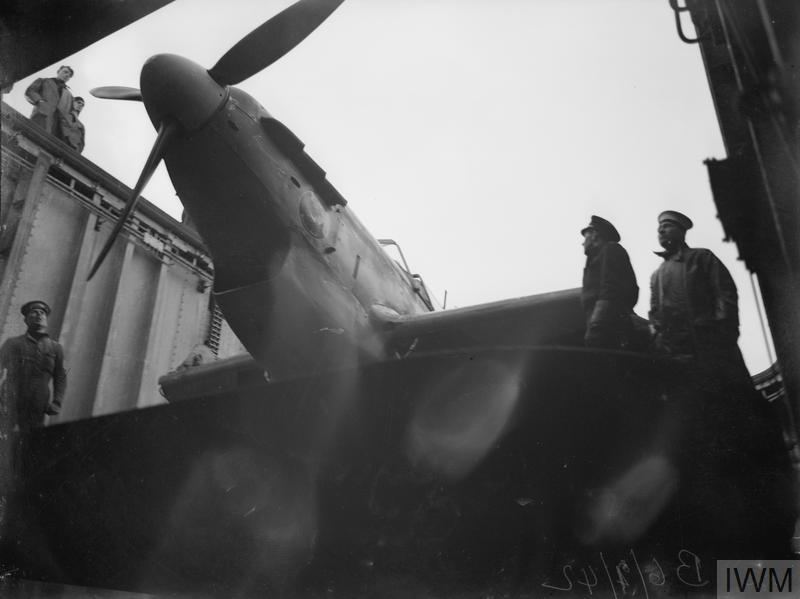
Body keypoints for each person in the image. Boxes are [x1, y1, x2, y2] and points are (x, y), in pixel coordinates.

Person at [0, 301, 67, 436]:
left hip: (37, 404)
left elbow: (60, 377)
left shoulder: (55, 348)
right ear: (26, 319)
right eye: (34, 312)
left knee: (32, 443)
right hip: (10, 400)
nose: (39, 315)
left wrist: (57, 402)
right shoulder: (12, 343)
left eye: (42, 313)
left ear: (46, 320)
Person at [580, 215, 639, 349]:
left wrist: (597, 323)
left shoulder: (610, 249)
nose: (583, 243)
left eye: (585, 236)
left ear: (595, 235)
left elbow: (610, 288)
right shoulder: (595, 258)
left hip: (605, 322)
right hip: (598, 319)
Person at [24, 65, 74, 136]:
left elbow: (70, 113)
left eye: (69, 75)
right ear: (58, 71)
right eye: (65, 72)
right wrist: (40, 101)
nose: (67, 75)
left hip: (57, 127)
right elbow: (30, 91)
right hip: (41, 118)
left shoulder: (69, 96)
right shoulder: (43, 81)